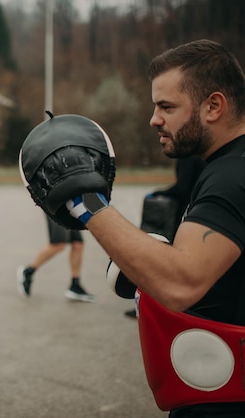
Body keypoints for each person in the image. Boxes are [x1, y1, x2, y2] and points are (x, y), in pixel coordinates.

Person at [58, 40, 245, 416]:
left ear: (214, 105)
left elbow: (182, 282)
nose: (154, 119)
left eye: (167, 107)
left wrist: (87, 202)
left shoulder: (231, 176)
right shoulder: (225, 167)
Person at [123, 155, 206, 318]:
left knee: (161, 262)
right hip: (196, 215)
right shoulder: (203, 157)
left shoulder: (187, 158)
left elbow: (182, 189)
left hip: (182, 215)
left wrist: (157, 193)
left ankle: (150, 305)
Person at [17, 216, 96, 302]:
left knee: (77, 244)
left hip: (72, 207)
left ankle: (75, 285)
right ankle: (28, 271)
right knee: (58, 244)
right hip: (57, 207)